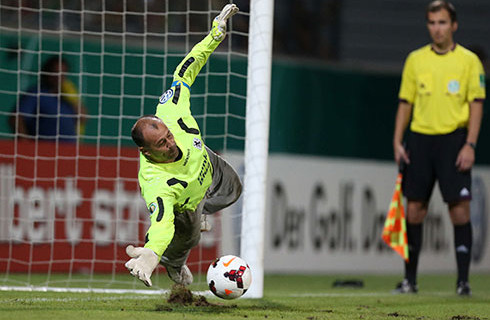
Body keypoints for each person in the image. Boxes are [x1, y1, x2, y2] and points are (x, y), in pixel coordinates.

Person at [124, 4, 242, 287]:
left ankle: (204, 209)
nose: (170, 144)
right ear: (146, 152)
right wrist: (151, 253)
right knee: (189, 238)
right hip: (184, 202)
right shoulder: (154, 181)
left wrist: (215, 35)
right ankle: (173, 264)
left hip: (207, 165)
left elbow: (186, 69)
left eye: (168, 136)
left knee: (235, 189)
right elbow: (162, 223)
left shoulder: (172, 111)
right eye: (162, 144)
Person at [392, 1, 486, 295]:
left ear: (454, 25)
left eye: (442, 22)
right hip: (420, 140)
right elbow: (405, 102)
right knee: (415, 211)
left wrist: (470, 144)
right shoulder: (415, 60)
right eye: (432, 22)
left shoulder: (470, 61)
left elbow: (477, 105)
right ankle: (410, 280)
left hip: (453, 140)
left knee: (459, 212)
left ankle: (462, 282)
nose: (437, 28)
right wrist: (398, 140)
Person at [9, 56, 87, 142]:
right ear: (47, 73)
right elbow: (16, 118)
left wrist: (72, 97)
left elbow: (83, 118)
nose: (59, 77)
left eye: (63, 74)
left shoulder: (67, 96)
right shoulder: (37, 93)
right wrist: (24, 143)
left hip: (69, 150)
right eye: (55, 73)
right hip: (44, 149)